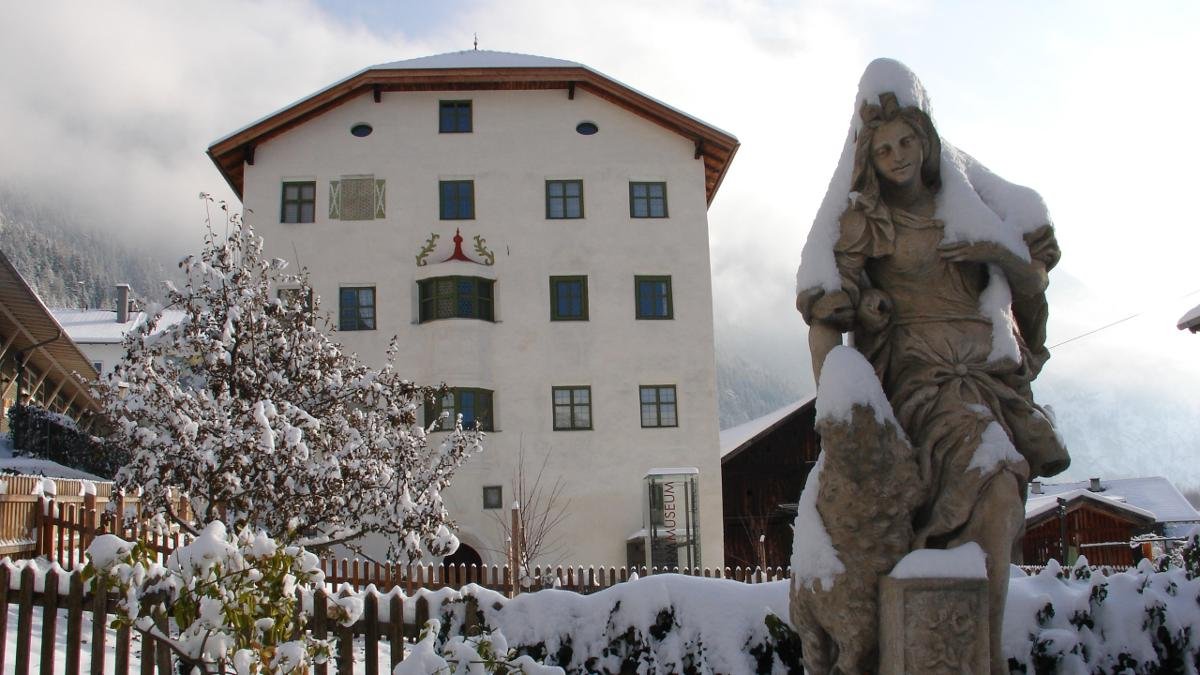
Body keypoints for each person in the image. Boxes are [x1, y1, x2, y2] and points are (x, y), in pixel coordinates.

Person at [796, 90, 1068, 674]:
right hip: (916, 379)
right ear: (870, 157)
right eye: (885, 147)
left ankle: (983, 654)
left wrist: (999, 250)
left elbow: (1035, 277)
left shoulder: (972, 201)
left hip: (989, 376)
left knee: (1000, 495)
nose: (897, 156)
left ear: (927, 142)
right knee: (989, 474)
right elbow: (828, 300)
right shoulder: (866, 220)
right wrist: (863, 306)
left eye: (907, 142)